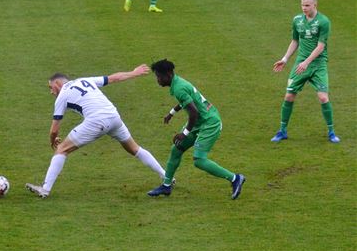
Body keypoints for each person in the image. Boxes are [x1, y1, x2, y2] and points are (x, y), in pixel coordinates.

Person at [25, 65, 166, 198]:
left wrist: (52, 141)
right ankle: (166, 177)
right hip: (114, 116)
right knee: (134, 148)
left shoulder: (62, 95)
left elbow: (54, 129)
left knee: (61, 150)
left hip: (97, 121)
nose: (51, 92)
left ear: (57, 84)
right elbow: (113, 78)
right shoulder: (85, 80)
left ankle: (45, 189)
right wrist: (134, 73)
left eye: (51, 87)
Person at [147, 59, 246, 200]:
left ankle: (235, 178)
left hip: (209, 123)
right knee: (176, 149)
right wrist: (171, 113)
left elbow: (194, 112)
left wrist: (184, 133)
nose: (158, 80)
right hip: (200, 121)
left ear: (168, 74)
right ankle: (166, 186)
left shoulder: (179, 88)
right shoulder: (177, 83)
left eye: (159, 76)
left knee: (199, 160)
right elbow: (186, 101)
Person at [271, 0, 341, 143]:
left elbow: (321, 46)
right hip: (301, 63)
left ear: (315, 5)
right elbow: (295, 41)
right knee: (289, 95)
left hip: (317, 64)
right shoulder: (297, 20)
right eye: (302, 5)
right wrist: (285, 59)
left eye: (307, 5)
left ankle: (331, 132)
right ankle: (282, 131)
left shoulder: (323, 22)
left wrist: (306, 62)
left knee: (323, 97)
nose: (304, 8)